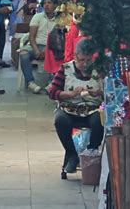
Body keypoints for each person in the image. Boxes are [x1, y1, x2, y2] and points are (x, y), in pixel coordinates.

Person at [48, 39, 104, 174]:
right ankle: (72, 154)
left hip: (92, 110)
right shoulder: (66, 69)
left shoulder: (99, 70)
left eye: (88, 61)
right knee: (60, 120)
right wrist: (69, 94)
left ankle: (91, 152)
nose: (85, 64)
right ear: (75, 57)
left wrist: (99, 93)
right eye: (81, 60)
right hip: (69, 109)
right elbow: (52, 91)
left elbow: (108, 93)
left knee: (99, 120)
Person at [20, 0, 58, 94]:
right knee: (23, 54)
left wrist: (47, 50)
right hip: (35, 45)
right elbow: (31, 37)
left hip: (52, 47)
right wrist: (37, 50)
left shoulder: (59, 19)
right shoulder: (37, 17)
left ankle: (52, 82)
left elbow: (58, 39)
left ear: (55, 5)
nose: (46, 5)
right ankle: (30, 82)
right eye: (45, 3)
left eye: (49, 3)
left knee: (59, 55)